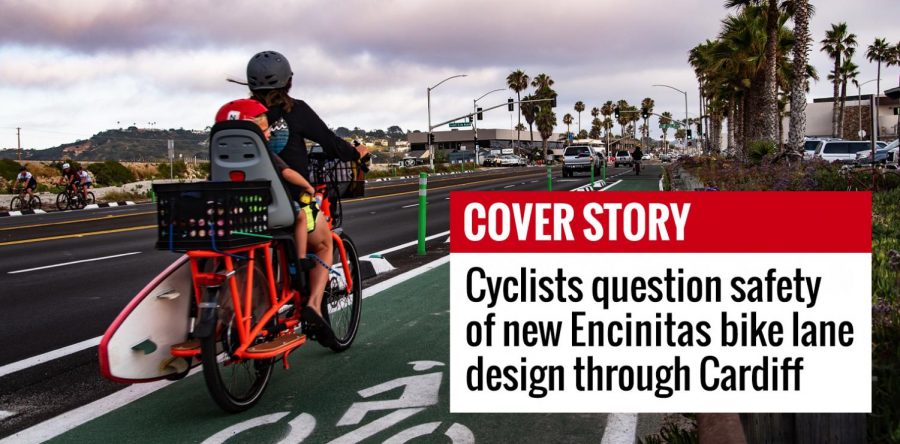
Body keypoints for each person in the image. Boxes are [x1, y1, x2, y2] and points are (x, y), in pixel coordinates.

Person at [242, 50, 368, 345]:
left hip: (245, 206)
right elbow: (331, 143)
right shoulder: (295, 110)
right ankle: (312, 305)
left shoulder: (241, 114)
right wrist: (357, 152)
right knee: (324, 243)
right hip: (287, 203)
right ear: (289, 82)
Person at [214, 98, 318, 295]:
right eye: (265, 131)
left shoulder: (219, 160)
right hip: (267, 212)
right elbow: (287, 173)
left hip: (234, 215)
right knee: (301, 216)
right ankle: (301, 259)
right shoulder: (264, 155)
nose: (269, 135)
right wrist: (307, 186)